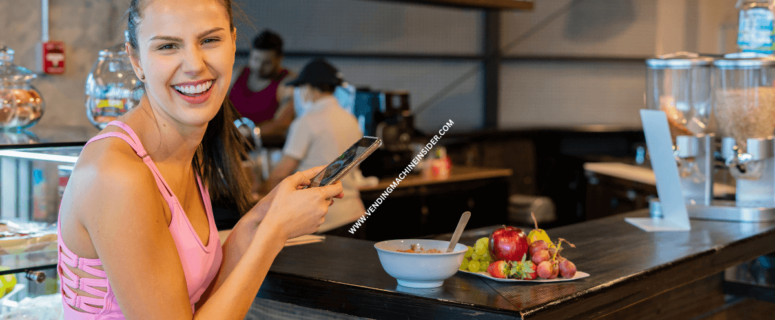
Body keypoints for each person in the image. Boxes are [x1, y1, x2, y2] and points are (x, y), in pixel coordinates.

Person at [56, 0, 344, 318]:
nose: (194, 64)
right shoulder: (117, 174)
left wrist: (262, 217)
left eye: (209, 40)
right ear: (136, 60)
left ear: (233, 44)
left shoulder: (185, 154)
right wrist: (273, 233)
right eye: (167, 46)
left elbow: (199, 302)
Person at [264, 58, 365, 234]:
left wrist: (261, 195)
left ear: (309, 88)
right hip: (355, 214)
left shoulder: (306, 122)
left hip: (323, 220)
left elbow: (281, 173)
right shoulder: (350, 120)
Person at [229, 30, 295, 139]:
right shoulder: (236, 75)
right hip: (231, 143)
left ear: (279, 59)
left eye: (267, 63)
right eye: (256, 59)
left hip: (265, 148)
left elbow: (281, 124)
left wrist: (250, 133)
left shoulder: (287, 84)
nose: (259, 66)